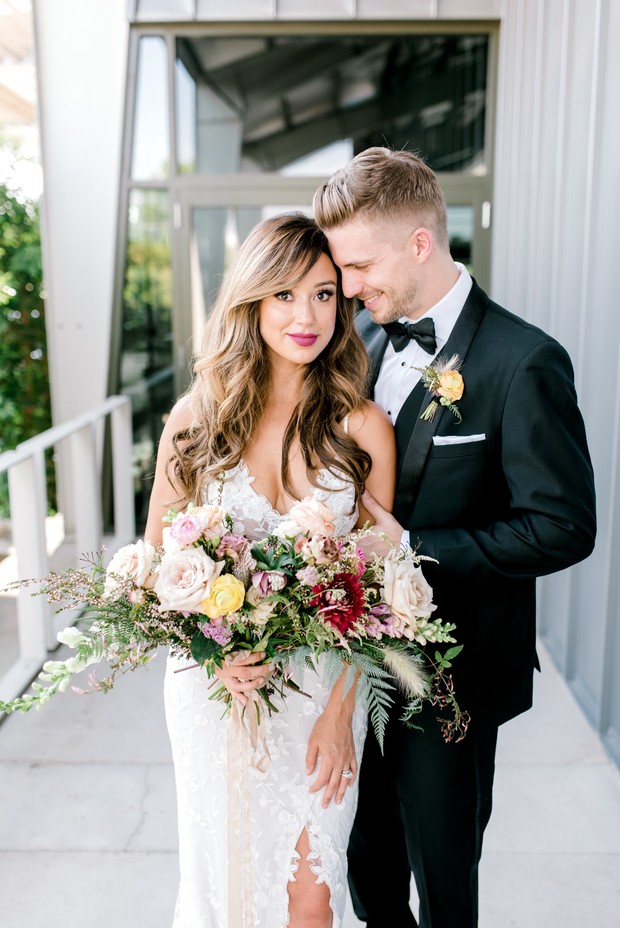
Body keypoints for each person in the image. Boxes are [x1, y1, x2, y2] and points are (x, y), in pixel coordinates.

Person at [313, 147, 596, 928]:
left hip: (455, 680)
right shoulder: (360, 346)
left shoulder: (524, 360)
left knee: (444, 882)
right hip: (352, 669)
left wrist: (413, 548)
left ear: (419, 242)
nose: (353, 289)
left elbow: (564, 526)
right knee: (364, 865)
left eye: (360, 266)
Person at [144, 212, 396, 928]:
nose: (307, 315)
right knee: (226, 889)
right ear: (251, 302)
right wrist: (209, 654)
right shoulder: (196, 420)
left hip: (320, 693)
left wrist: (343, 715)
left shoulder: (362, 426)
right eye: (284, 295)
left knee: (312, 898)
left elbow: (375, 592)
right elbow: (159, 568)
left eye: (324, 294)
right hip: (215, 694)